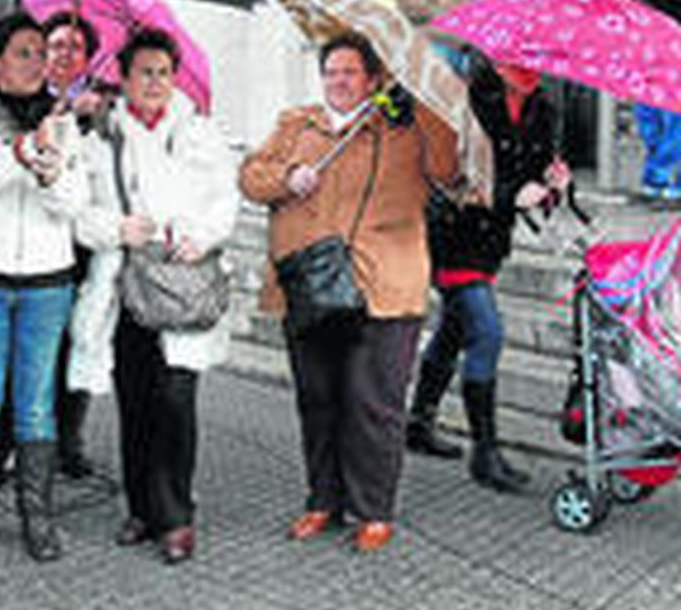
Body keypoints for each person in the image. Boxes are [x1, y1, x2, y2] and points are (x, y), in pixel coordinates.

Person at [239, 33, 460, 554]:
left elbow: (449, 170)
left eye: (351, 72)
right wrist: (288, 177)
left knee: (374, 404)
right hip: (312, 285)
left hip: (383, 285)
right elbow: (250, 175)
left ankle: (373, 508)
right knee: (318, 398)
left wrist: (422, 114)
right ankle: (323, 500)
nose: (339, 81)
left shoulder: (405, 130)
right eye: (331, 71)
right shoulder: (298, 123)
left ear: (375, 78)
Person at [69, 29, 238, 564]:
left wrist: (201, 236)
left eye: (163, 72)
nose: (155, 83)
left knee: (176, 400)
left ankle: (177, 516)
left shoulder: (200, 133)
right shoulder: (100, 137)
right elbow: (79, 213)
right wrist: (116, 226)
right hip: (125, 283)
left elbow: (224, 201)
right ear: (124, 76)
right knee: (135, 399)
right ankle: (141, 509)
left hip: (180, 281)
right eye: (144, 72)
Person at [0, 11, 86, 570]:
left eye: (41, 53)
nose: (38, 61)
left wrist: (52, 173)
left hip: (48, 282)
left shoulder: (65, 121)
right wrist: (24, 153)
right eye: (24, 51)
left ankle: (37, 516)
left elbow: (74, 204)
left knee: (36, 407)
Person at [408, 60, 569, 490]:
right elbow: (447, 177)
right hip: (453, 234)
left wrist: (553, 182)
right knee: (487, 332)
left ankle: (418, 423)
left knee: (454, 331)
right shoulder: (465, 101)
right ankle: (485, 452)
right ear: (497, 62)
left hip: (492, 240)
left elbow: (534, 173)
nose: (528, 70)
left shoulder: (546, 107)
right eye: (516, 62)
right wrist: (509, 193)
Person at [38, 9, 107, 478]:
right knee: (36, 347)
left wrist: (89, 121)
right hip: (38, 239)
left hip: (82, 244)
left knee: (79, 339)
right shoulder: (25, 96)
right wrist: (58, 116)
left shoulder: (102, 106)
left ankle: (69, 440)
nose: (65, 53)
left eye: (76, 46)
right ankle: (23, 441)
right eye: (57, 44)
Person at [619, 0, 681, 200]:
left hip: (675, 42)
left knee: (675, 116)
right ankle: (653, 181)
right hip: (646, 43)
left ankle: (674, 183)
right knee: (648, 115)